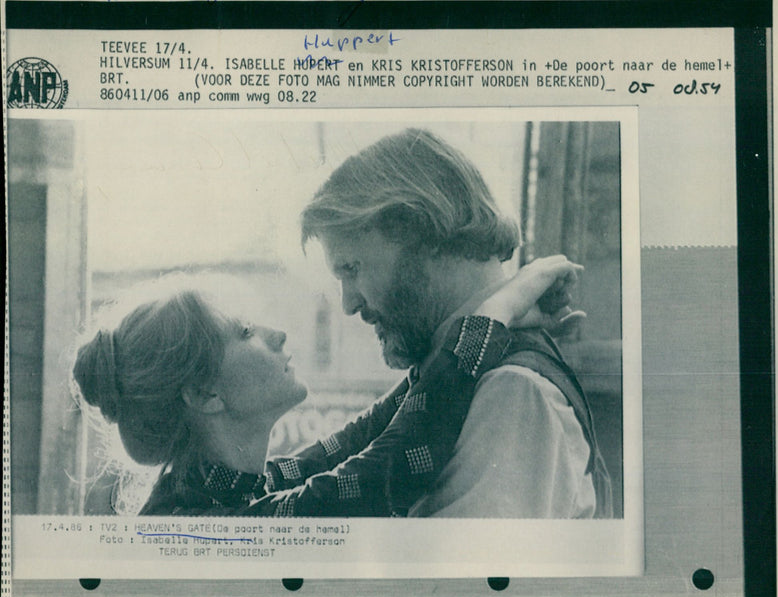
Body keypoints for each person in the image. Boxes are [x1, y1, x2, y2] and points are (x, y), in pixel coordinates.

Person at [72, 258, 580, 516]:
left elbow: (370, 435)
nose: (277, 334)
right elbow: (396, 463)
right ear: (206, 394)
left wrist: (488, 322)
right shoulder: (210, 528)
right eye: (245, 333)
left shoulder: (231, 487)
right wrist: (498, 309)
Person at [301, 128, 612, 518]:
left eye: (352, 269)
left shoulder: (510, 391)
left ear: (419, 231)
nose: (348, 304)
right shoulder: (464, 378)